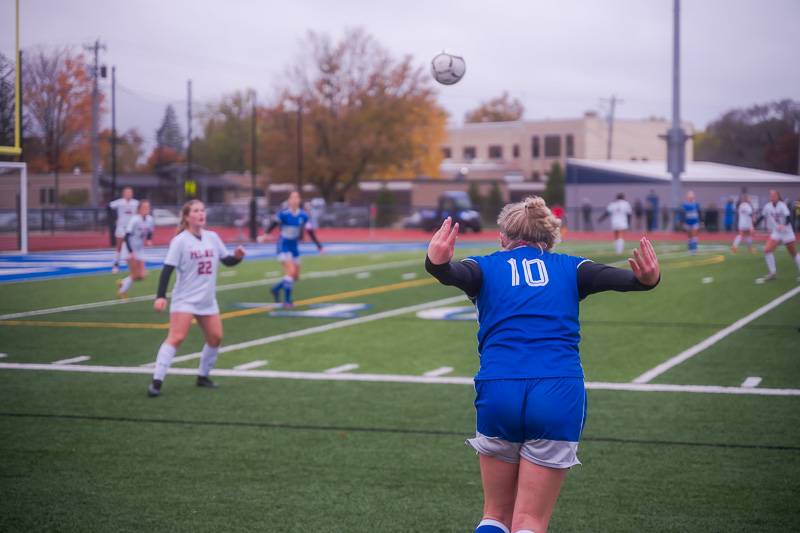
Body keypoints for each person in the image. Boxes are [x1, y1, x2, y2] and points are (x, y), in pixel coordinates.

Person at [425, 197, 660, 533]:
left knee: (494, 515)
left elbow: (451, 272)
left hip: (498, 390)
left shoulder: (485, 266)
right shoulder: (572, 267)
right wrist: (647, 279)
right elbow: (628, 280)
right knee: (530, 522)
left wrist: (437, 264)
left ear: (503, 237)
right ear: (550, 239)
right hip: (557, 391)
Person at [146, 199, 246, 397]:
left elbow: (226, 260)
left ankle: (203, 376)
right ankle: (156, 381)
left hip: (207, 299)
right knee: (177, 337)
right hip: (185, 299)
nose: (201, 214)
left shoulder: (212, 237)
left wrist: (237, 256)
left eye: (203, 210)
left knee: (216, 338)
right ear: (187, 217)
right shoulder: (180, 241)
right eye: (196, 211)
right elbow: (167, 269)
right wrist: (160, 296)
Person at [258, 191, 317, 307]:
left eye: (297, 197)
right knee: (290, 272)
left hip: (294, 246)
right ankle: (287, 301)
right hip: (283, 245)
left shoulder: (303, 215)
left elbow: (310, 231)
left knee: (295, 276)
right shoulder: (283, 214)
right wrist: (265, 235)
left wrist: (319, 246)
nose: (295, 200)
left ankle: (275, 289)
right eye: (292, 198)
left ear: (299, 200)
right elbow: (273, 225)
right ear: (289, 201)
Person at [755, 190, 800, 281]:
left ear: (778, 196)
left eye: (774, 195)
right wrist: (754, 224)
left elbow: (788, 217)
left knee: (793, 253)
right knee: (767, 250)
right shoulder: (768, 206)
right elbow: (762, 216)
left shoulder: (782, 205)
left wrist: (784, 225)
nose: (772, 196)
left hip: (787, 232)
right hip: (777, 232)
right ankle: (772, 273)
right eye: (771, 195)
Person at [116, 200, 154, 297]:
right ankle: (122, 291)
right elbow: (127, 236)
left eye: (148, 207)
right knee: (136, 274)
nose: (146, 209)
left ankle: (122, 282)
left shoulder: (150, 219)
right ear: (139, 209)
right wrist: (130, 251)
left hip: (140, 249)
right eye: (144, 207)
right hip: (130, 248)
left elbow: (150, 231)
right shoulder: (135, 219)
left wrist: (149, 240)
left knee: (141, 276)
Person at [109, 187, 139, 273]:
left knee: (133, 247)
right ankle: (116, 264)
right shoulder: (119, 202)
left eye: (130, 192)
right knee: (119, 247)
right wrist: (115, 219)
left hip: (131, 229)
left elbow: (140, 212)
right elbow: (109, 207)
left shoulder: (136, 203)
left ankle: (134, 265)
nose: (128, 194)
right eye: (127, 192)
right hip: (121, 228)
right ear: (123, 193)